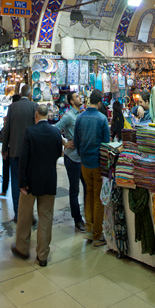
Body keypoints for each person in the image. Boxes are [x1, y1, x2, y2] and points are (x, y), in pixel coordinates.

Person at [11, 104, 63, 266]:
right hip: (49, 180)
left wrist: (22, 182)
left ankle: (22, 247)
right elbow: (57, 154)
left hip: (30, 182)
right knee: (46, 217)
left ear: (36, 116)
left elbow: (24, 158)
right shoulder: (56, 132)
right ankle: (42, 255)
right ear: (47, 116)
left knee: (25, 216)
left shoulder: (30, 132)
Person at [73, 88, 110, 246]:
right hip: (97, 164)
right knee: (98, 198)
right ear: (100, 103)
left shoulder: (80, 118)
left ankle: (89, 229)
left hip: (84, 163)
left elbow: (76, 142)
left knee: (88, 194)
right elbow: (106, 144)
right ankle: (97, 234)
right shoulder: (102, 119)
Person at [2, 84, 37, 221]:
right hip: (29, 152)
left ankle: (18, 213)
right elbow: (36, 128)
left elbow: (7, 130)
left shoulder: (12, 108)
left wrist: (4, 149)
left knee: (16, 182)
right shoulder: (34, 107)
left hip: (15, 150)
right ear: (30, 94)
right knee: (29, 182)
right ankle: (29, 213)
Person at [54, 90, 86, 231]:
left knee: (87, 187)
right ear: (72, 101)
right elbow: (55, 129)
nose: (80, 97)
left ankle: (87, 216)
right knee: (74, 190)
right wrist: (64, 143)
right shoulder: (68, 116)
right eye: (77, 96)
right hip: (72, 158)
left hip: (82, 157)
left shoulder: (82, 114)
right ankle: (77, 220)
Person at [0, 94, 20, 198]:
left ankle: (4, 190)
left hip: (9, 146)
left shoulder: (11, 112)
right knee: (16, 172)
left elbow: (6, 132)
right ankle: (16, 191)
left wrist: (4, 149)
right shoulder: (20, 113)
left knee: (6, 169)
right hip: (17, 147)